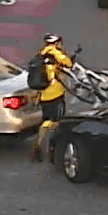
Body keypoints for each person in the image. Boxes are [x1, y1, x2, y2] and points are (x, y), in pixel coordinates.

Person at [30, 33, 74, 163]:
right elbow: (68, 63)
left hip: (43, 96)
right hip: (55, 94)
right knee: (58, 122)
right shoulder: (55, 53)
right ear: (56, 43)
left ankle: (38, 144)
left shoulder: (41, 54)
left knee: (46, 120)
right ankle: (55, 149)